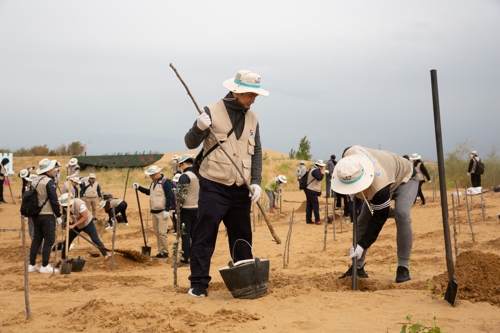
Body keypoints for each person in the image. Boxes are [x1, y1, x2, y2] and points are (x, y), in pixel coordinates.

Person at [184, 69, 267, 297]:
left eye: (255, 96)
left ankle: (245, 283)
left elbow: (256, 151)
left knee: (242, 236)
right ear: (236, 91)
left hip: (241, 188)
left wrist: (256, 181)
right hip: (214, 186)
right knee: (204, 235)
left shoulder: (253, 118)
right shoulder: (210, 111)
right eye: (250, 94)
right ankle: (198, 284)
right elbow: (191, 143)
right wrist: (198, 127)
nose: (253, 100)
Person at [332, 145, 419, 283]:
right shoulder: (348, 156)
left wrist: (361, 246)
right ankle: (358, 266)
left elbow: (378, 220)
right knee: (362, 220)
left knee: (401, 214)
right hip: (387, 175)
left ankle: (403, 266)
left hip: (405, 178)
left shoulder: (378, 187)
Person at [28, 158, 62, 274]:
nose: (53, 170)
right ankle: (45, 265)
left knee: (37, 239)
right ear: (48, 171)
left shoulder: (34, 181)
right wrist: (58, 215)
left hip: (35, 214)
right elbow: (54, 200)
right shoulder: (49, 182)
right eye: (52, 168)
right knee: (49, 240)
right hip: (47, 214)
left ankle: (32, 264)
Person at [132, 165, 173, 259]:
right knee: (157, 233)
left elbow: (169, 196)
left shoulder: (165, 182)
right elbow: (149, 192)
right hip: (154, 212)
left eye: (153, 175)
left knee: (162, 233)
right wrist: (139, 187)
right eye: (150, 175)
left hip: (162, 211)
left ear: (158, 173)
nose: (151, 177)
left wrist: (167, 210)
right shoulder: (153, 183)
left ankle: (165, 252)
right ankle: (160, 251)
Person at [58, 193, 108, 264]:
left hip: (87, 223)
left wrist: (73, 225)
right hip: (76, 224)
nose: (65, 207)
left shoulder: (80, 204)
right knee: (67, 241)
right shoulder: (65, 206)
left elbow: (85, 217)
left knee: (95, 239)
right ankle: (63, 259)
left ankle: (105, 255)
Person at [176, 154, 200, 266]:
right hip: (198, 208)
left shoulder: (185, 176)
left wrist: (177, 209)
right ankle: (195, 257)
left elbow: (181, 195)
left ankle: (185, 259)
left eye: (180, 165)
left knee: (185, 235)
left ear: (183, 164)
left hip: (186, 209)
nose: (180, 167)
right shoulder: (198, 175)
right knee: (195, 235)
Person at [303, 160, 325, 225]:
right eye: (322, 166)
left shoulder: (312, 169)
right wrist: (323, 173)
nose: (323, 168)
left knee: (309, 205)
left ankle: (308, 220)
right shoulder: (315, 171)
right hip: (311, 190)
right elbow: (319, 178)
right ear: (319, 166)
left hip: (309, 189)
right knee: (315, 205)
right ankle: (317, 220)